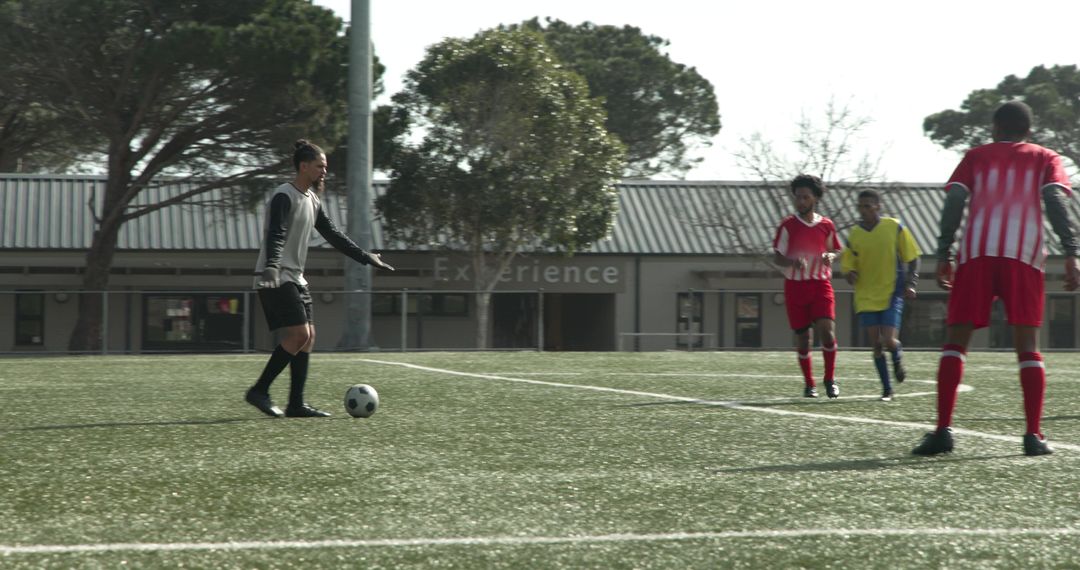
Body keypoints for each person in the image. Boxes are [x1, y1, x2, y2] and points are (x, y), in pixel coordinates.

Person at [913, 101, 1079, 456]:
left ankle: (943, 431)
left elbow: (955, 197)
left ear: (994, 128)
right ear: (1029, 131)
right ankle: (1033, 436)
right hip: (1024, 255)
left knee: (957, 339)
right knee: (1028, 345)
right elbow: (1054, 197)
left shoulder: (976, 156)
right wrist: (1072, 252)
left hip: (976, 255)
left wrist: (944, 252)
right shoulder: (1045, 157)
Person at [245, 139, 395, 418]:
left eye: (325, 167)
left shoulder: (313, 200)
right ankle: (259, 391)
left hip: (295, 277)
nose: (324, 171)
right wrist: (272, 266)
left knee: (309, 337)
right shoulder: (284, 194)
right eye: (320, 166)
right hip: (275, 276)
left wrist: (366, 257)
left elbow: (334, 235)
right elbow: (275, 233)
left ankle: (296, 404)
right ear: (303, 167)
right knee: (299, 334)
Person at [841, 190, 921, 401]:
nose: (864, 210)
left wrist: (911, 283)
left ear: (878, 206)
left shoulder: (894, 227)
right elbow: (848, 263)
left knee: (888, 340)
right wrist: (850, 273)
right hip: (866, 295)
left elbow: (913, 258)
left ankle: (897, 355)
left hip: (891, 292)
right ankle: (887, 390)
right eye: (860, 206)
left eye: (868, 206)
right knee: (876, 344)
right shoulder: (855, 235)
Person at [773, 174, 842, 399]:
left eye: (805, 197)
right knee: (803, 338)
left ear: (815, 198)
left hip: (821, 284)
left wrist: (830, 256)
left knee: (827, 332)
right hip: (795, 287)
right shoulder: (788, 225)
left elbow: (836, 250)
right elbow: (778, 258)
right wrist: (793, 262)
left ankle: (830, 379)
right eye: (798, 197)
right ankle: (809, 384)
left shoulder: (826, 225)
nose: (800, 201)